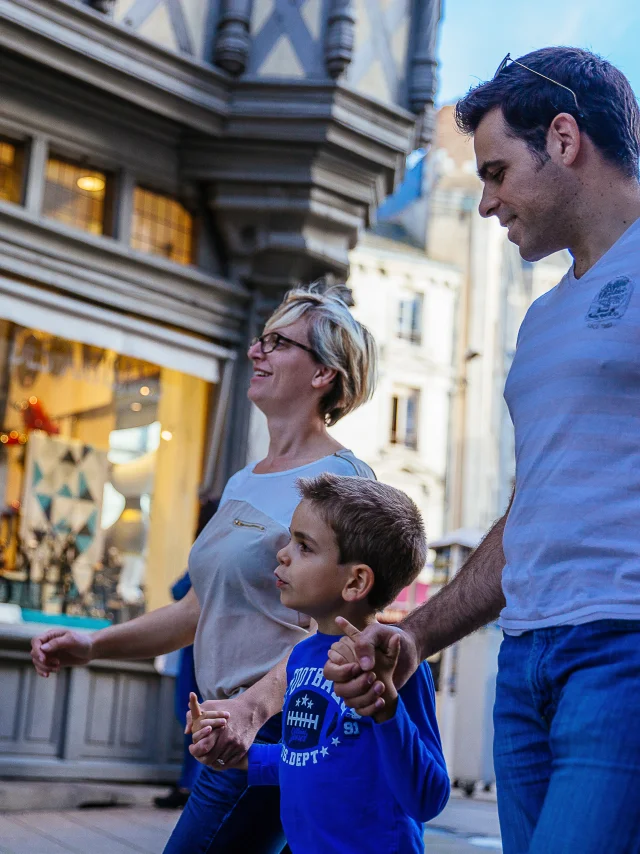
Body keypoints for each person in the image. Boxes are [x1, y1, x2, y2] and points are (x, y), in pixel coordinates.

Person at [325, 47, 640, 854]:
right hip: (526, 665)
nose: (486, 203)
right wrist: (416, 636)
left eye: (497, 173)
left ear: (564, 138)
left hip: (621, 651)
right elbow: (532, 509)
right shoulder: (543, 319)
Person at [30, 283, 377, 854]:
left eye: (277, 342)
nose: (254, 352)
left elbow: (341, 632)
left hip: (274, 729)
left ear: (323, 375)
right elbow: (197, 609)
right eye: (260, 338)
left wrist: (252, 708)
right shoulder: (245, 479)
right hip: (225, 729)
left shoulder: (342, 482)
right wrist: (94, 646)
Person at [189, 474, 449, 854]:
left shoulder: (394, 663)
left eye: (304, 546)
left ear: (356, 582)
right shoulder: (302, 656)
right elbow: (313, 756)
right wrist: (235, 756)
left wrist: (386, 706)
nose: (283, 553)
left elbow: (429, 797)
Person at [154, 500, 219, 810]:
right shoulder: (220, 552)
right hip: (207, 647)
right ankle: (191, 784)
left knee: (194, 714)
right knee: (199, 714)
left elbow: (180, 591)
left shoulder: (209, 553)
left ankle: (190, 785)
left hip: (198, 647)